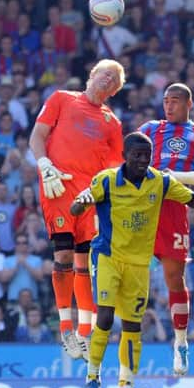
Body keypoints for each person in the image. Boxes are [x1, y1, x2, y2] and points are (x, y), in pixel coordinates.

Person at [70, 132, 194, 388]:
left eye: (147, 155)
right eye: (137, 155)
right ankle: (92, 376)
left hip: (139, 265)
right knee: (105, 317)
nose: (143, 160)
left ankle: (125, 385)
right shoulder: (106, 181)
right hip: (109, 256)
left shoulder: (160, 182)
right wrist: (80, 203)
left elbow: (190, 197)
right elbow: (76, 207)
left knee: (133, 325)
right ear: (124, 156)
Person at [29, 59, 124, 359]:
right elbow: (37, 136)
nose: (107, 80)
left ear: (114, 91)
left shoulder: (113, 123)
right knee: (64, 256)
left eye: (114, 80)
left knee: (85, 263)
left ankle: (85, 333)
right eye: (105, 74)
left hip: (90, 196)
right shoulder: (61, 99)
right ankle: (65, 330)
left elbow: (115, 166)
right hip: (59, 185)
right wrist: (44, 164)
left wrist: (102, 192)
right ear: (92, 74)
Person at [138, 82, 194, 374]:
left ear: (189, 103)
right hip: (142, 204)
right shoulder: (149, 129)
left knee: (174, 277)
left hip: (173, 206)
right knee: (129, 273)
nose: (168, 106)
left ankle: (180, 342)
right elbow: (125, 158)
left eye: (174, 101)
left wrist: (177, 177)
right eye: (165, 101)